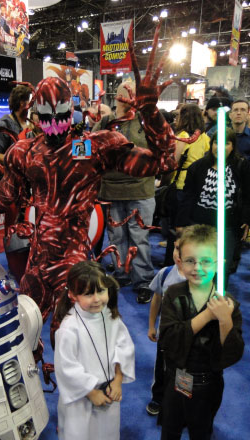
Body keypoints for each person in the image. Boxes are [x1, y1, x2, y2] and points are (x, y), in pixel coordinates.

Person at [0, 25, 177, 349]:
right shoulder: (26, 153)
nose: (54, 122)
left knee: (80, 343)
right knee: (23, 339)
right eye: (46, 114)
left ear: (70, 112)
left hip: (76, 261)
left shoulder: (96, 145)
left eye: (60, 114)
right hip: (40, 262)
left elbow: (163, 162)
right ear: (35, 115)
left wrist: (152, 112)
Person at [143, 224, 244, 440]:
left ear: (219, 262)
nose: (197, 267)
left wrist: (224, 319)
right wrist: (205, 317)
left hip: (208, 385)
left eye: (206, 261)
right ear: (179, 260)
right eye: (190, 260)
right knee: (171, 424)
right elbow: (170, 341)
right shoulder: (175, 294)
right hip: (176, 378)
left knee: (202, 429)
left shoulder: (228, 303)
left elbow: (231, 354)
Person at [53, 261, 135, 440]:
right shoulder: (69, 328)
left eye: (100, 290)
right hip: (81, 395)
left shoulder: (111, 317)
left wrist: (118, 379)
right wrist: (91, 391)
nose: (97, 299)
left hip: (106, 389)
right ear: (73, 295)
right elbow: (66, 367)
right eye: (88, 294)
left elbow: (124, 348)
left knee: (98, 429)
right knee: (78, 431)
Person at [92, 81, 157, 304]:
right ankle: (121, 275)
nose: (131, 97)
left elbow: (161, 151)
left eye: (135, 94)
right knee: (117, 236)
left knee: (139, 237)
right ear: (118, 96)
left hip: (141, 190)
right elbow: (84, 148)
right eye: (127, 93)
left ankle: (143, 281)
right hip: (110, 190)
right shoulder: (104, 122)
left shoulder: (147, 122)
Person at [176, 128, 250, 285]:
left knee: (221, 267)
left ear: (233, 146)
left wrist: (247, 219)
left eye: (226, 143)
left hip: (228, 225)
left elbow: (249, 194)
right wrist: (181, 224)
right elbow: (188, 197)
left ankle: (216, 302)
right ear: (211, 144)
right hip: (199, 224)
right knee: (197, 266)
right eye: (216, 142)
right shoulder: (197, 167)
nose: (220, 147)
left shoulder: (241, 166)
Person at [164, 104, 210, 266]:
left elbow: (173, 162)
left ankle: (171, 263)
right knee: (192, 228)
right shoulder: (205, 138)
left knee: (175, 228)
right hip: (198, 188)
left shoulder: (183, 136)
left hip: (180, 186)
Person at [146, 231, 186, 416]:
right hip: (165, 335)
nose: (179, 254)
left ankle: (181, 401)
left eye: (184, 250)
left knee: (185, 372)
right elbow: (156, 299)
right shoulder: (166, 273)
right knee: (161, 369)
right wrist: (152, 325)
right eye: (177, 248)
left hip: (188, 338)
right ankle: (158, 397)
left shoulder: (201, 278)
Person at [0, 84, 32, 164]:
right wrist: (18, 161)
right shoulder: (2, 126)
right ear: (22, 103)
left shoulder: (29, 125)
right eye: (30, 101)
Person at [229, 99, 250, 181]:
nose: (239, 113)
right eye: (235, 110)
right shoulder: (221, 135)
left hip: (245, 182)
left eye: (243, 110)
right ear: (230, 115)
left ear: (247, 115)